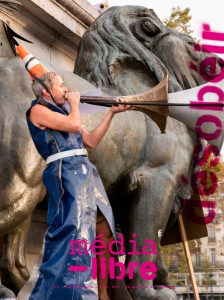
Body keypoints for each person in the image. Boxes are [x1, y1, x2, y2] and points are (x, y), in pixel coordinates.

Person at [26, 71, 132, 300]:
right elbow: (74, 125)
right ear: (46, 91)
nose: (66, 89)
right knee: (74, 232)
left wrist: (111, 114)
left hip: (86, 173)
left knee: (105, 231)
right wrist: (75, 103)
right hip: (66, 173)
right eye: (61, 85)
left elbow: (91, 141)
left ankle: (102, 294)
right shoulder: (38, 110)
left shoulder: (65, 112)